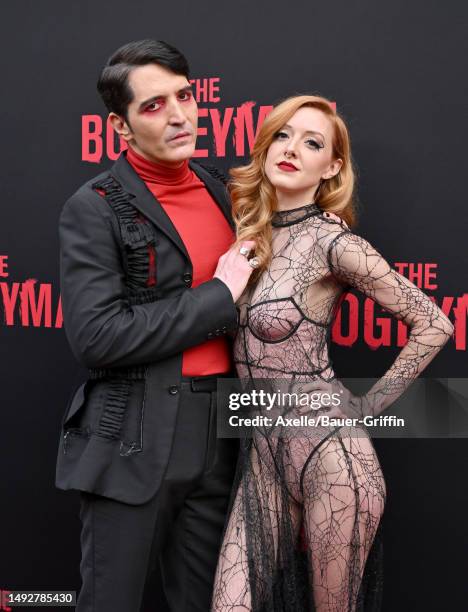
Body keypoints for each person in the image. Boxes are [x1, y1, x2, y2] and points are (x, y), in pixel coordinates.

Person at [210, 95, 454, 611]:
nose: (292, 148)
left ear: (332, 167)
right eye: (282, 134)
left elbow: (434, 323)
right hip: (263, 462)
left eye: (312, 142)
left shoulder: (334, 244)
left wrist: (367, 407)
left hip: (333, 461)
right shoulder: (248, 236)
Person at [55, 39, 257, 612]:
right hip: (134, 435)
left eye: (185, 96)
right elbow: (97, 336)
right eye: (153, 106)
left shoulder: (225, 191)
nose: (179, 115)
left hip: (223, 429)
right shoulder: (93, 206)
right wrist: (220, 295)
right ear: (120, 126)